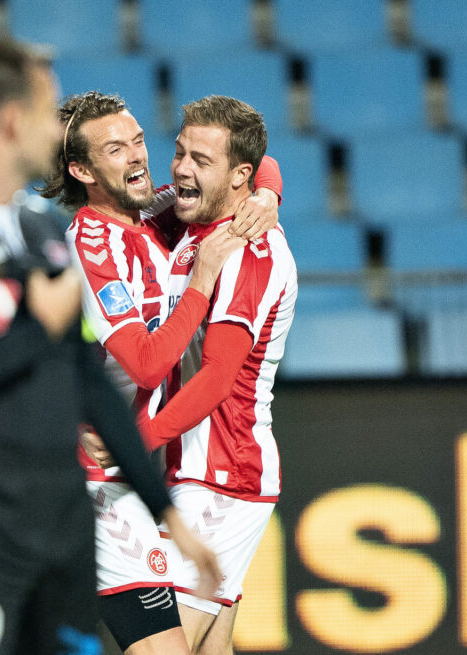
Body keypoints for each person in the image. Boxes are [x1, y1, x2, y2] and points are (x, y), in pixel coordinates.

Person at [0, 39, 219, 655]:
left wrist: (165, 513)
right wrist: (37, 329)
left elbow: (87, 382)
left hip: (64, 526)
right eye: (46, 110)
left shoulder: (42, 234)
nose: (54, 128)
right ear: (11, 122)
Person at [40, 91, 282, 654]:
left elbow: (246, 163)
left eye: (140, 140)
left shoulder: (156, 211)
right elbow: (147, 363)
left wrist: (266, 192)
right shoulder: (92, 243)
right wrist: (202, 278)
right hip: (97, 479)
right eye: (116, 149)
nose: (138, 158)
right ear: (81, 170)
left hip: (152, 477)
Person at [136, 95, 298, 655]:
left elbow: (217, 379)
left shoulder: (248, 250)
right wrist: (268, 186)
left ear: (237, 177)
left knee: (155, 648)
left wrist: (136, 442)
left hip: (223, 475)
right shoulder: (183, 221)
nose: (180, 169)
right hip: (200, 471)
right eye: (179, 152)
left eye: (200, 160)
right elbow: (255, 164)